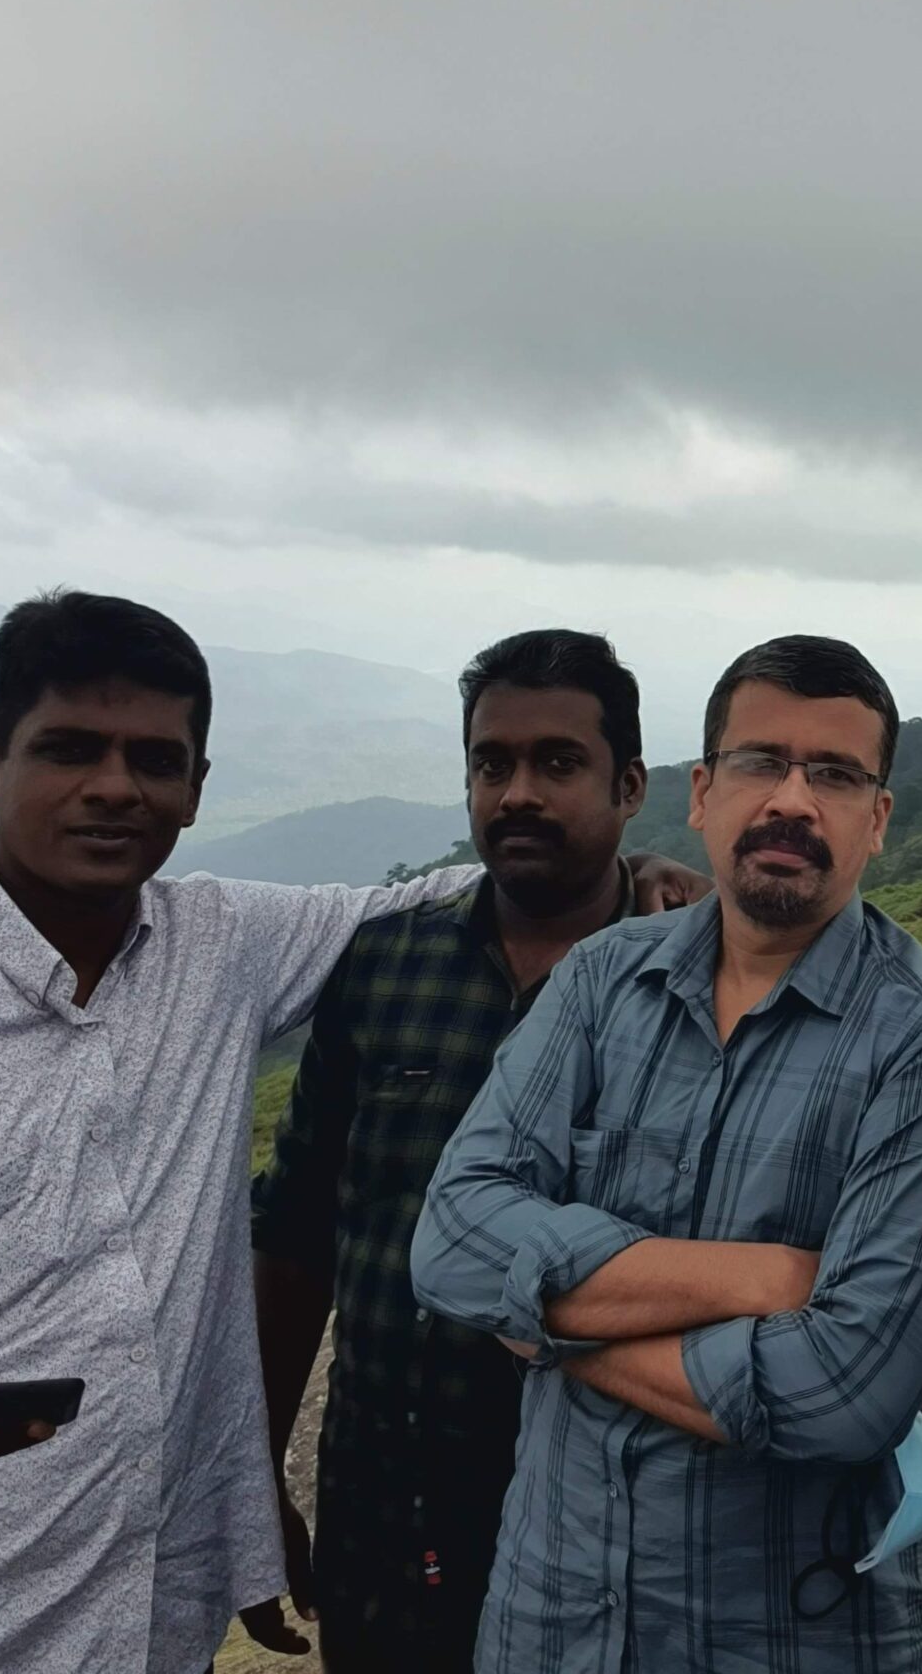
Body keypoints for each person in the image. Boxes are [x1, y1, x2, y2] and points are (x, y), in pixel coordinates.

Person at [0, 591, 705, 1674]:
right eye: (70, 750)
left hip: (149, 1619)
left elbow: (488, 894)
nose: (113, 789)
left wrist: (645, 881)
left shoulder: (219, 947)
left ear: (195, 787)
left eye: (154, 761)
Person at [410, 635, 922, 1674]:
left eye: (833, 774)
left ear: (876, 821)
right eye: (758, 763)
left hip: (791, 1638)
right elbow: (452, 1237)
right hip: (550, 1620)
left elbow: (841, 1392)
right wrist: (759, 1279)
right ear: (700, 794)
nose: (791, 799)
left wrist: (550, 1324)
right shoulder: (603, 983)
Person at [251, 630, 651, 1673]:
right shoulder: (385, 972)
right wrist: (253, 1477)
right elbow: (295, 1238)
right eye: (491, 763)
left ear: (630, 786)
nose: (517, 792)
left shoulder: (681, 994)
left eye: (558, 763)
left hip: (609, 1530)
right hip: (386, 1517)